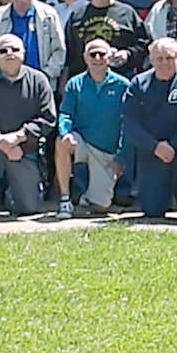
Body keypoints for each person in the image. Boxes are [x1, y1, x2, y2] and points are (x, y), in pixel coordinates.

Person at [121, 37, 177, 223]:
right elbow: (130, 123)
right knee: (153, 210)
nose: (164, 63)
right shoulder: (138, 85)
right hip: (152, 150)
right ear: (151, 60)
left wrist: (173, 144)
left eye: (169, 58)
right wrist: (154, 146)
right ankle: (167, 192)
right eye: (159, 58)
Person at [0, 33, 57, 216]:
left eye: (15, 49)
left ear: (23, 53)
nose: (9, 53)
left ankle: (10, 195)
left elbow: (48, 119)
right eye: (3, 50)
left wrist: (19, 137)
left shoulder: (39, 80)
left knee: (28, 209)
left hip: (24, 149)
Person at [55, 37, 131, 218]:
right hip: (81, 143)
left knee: (101, 207)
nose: (97, 58)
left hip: (107, 151)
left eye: (102, 54)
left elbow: (128, 124)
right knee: (61, 143)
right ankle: (65, 200)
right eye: (92, 54)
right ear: (85, 58)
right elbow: (65, 114)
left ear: (109, 57)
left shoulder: (123, 85)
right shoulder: (74, 84)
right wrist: (66, 133)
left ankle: (88, 197)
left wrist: (121, 157)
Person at [63, 0, 150, 79]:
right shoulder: (77, 16)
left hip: (120, 80)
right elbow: (68, 52)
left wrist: (128, 55)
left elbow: (145, 44)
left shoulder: (127, 13)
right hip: (84, 82)